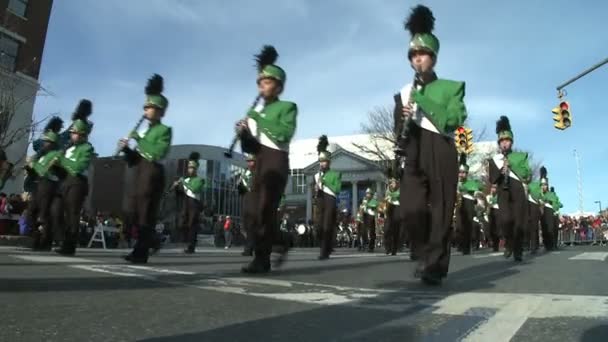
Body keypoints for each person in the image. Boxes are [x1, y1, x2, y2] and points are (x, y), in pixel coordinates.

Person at [394, 5, 467, 285]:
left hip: (441, 148)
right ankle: (425, 252)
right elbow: (397, 132)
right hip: (414, 148)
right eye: (413, 55)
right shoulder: (403, 93)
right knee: (410, 208)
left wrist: (422, 100)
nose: (417, 60)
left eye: (422, 54)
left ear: (433, 57)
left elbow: (453, 120)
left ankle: (435, 266)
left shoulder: (451, 87)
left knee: (441, 210)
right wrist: (402, 122)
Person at [235, 45, 297, 273]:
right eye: (260, 83)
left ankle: (262, 259)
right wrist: (243, 133)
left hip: (276, 162)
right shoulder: (255, 114)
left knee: (265, 210)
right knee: (252, 213)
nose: (262, 87)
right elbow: (250, 147)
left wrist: (257, 121)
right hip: (259, 163)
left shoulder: (288, 107)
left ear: (278, 86)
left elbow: (283, 133)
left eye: (267, 82)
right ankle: (281, 240)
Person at [118, 74, 172, 264]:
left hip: (153, 174)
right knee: (132, 212)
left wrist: (139, 140)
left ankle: (140, 252)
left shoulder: (164, 130)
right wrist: (126, 149)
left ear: (159, 111)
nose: (146, 110)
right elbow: (135, 159)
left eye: (149, 107)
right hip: (140, 172)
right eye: (145, 107)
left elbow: (157, 153)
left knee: (145, 214)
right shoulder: (145, 131)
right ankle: (152, 241)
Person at [54, 104, 95, 256]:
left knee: (72, 214)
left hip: (78, 183)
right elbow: (62, 170)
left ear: (83, 134)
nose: (72, 135)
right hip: (65, 182)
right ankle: (61, 239)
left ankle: (69, 246)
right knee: (56, 210)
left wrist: (62, 161)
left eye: (75, 133)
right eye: (72, 132)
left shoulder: (87, 148)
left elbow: (78, 167)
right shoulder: (68, 148)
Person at [489, 116, 531, 262]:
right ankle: (509, 243)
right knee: (505, 219)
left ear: (511, 142)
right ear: (499, 144)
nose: (504, 144)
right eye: (501, 141)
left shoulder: (521, 156)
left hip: (517, 189)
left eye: (507, 141)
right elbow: (491, 179)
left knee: (519, 221)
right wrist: (501, 169)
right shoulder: (494, 159)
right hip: (503, 190)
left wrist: (512, 164)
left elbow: (528, 174)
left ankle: (518, 250)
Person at [24, 117, 64, 251]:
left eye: (48, 142)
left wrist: (34, 165)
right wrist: (30, 167)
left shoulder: (56, 155)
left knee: (44, 214)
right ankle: (36, 237)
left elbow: (49, 172)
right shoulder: (42, 155)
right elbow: (35, 170)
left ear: (53, 143)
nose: (45, 143)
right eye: (45, 141)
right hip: (38, 185)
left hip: (49, 186)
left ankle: (45, 242)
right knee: (30, 213)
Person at [314, 135, 341, 260]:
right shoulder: (316, 175)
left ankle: (324, 252)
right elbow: (318, 188)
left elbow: (337, 190)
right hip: (320, 199)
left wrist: (325, 182)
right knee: (318, 227)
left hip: (330, 199)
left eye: (324, 161)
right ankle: (327, 245)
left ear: (329, 162)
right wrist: (317, 188)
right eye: (320, 161)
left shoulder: (336, 174)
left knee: (326, 226)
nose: (322, 163)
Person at [172, 152, 204, 254]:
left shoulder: (200, 179)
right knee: (182, 223)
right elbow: (181, 193)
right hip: (186, 202)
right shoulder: (186, 179)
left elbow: (194, 189)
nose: (190, 170)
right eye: (189, 168)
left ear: (196, 169)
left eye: (193, 168)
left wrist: (184, 182)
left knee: (192, 225)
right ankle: (185, 241)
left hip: (194, 203)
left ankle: (191, 246)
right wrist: (176, 187)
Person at [456, 153, 484, 255]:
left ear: (467, 173)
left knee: (467, 225)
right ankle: (460, 244)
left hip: (468, 203)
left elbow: (480, 187)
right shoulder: (455, 181)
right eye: (460, 172)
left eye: (464, 172)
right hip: (458, 204)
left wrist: (468, 189)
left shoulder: (472, 182)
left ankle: (466, 247)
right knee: (459, 226)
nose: (461, 174)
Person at [238, 154, 256, 256]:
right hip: (246, 200)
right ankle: (249, 247)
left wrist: (245, 180)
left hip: (254, 201)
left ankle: (249, 249)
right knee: (246, 226)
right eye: (248, 161)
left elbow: (252, 185)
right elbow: (242, 191)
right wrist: (240, 184)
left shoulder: (258, 172)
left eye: (251, 161)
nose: (249, 163)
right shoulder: (246, 172)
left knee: (252, 226)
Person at [526, 167, 545, 255]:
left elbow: (541, 191)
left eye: (529, 176)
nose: (527, 177)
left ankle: (534, 246)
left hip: (533, 205)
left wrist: (543, 175)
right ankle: (525, 245)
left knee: (533, 227)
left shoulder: (535, 184)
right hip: (524, 206)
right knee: (526, 227)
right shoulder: (520, 184)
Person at [383, 176, 401, 256]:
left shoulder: (400, 191)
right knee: (387, 230)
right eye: (390, 183)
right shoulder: (387, 192)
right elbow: (384, 203)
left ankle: (394, 249)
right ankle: (388, 248)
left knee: (395, 232)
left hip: (397, 212)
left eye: (393, 182)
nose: (391, 184)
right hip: (388, 213)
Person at [486, 184, 500, 252]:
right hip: (491, 211)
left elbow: (496, 201)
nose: (493, 189)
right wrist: (491, 195)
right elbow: (488, 203)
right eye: (492, 187)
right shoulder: (488, 196)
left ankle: (496, 246)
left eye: (495, 187)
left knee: (497, 228)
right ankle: (493, 243)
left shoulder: (499, 196)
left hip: (497, 211)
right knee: (491, 228)